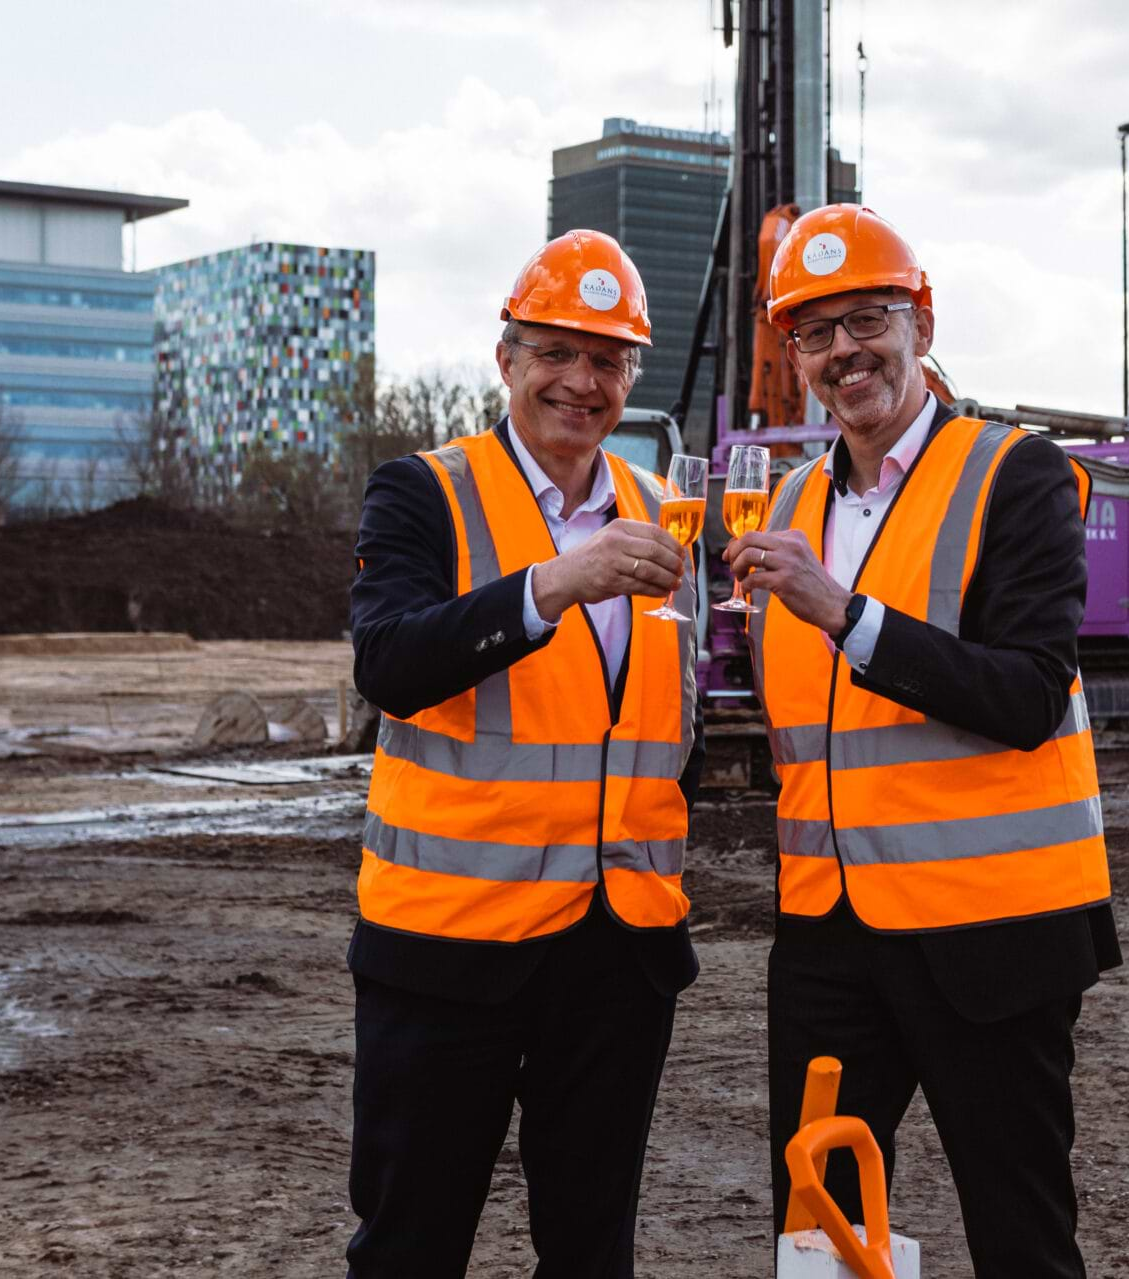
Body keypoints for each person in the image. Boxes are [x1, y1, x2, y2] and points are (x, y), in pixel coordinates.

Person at [726, 204, 1121, 1278]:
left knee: (1020, 1232)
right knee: (819, 1231)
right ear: (796, 355)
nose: (845, 352)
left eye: (868, 320)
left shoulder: (1016, 476)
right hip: (827, 937)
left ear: (923, 322)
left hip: (991, 932)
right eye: (816, 333)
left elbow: (1030, 693)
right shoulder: (792, 498)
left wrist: (846, 613)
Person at [345, 229, 703, 1279]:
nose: (581, 382)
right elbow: (391, 664)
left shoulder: (658, 509)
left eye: (607, 360)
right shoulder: (424, 492)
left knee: (592, 1253)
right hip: (448, 948)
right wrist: (554, 584)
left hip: (616, 950)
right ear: (506, 360)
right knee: (411, 1247)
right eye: (556, 352)